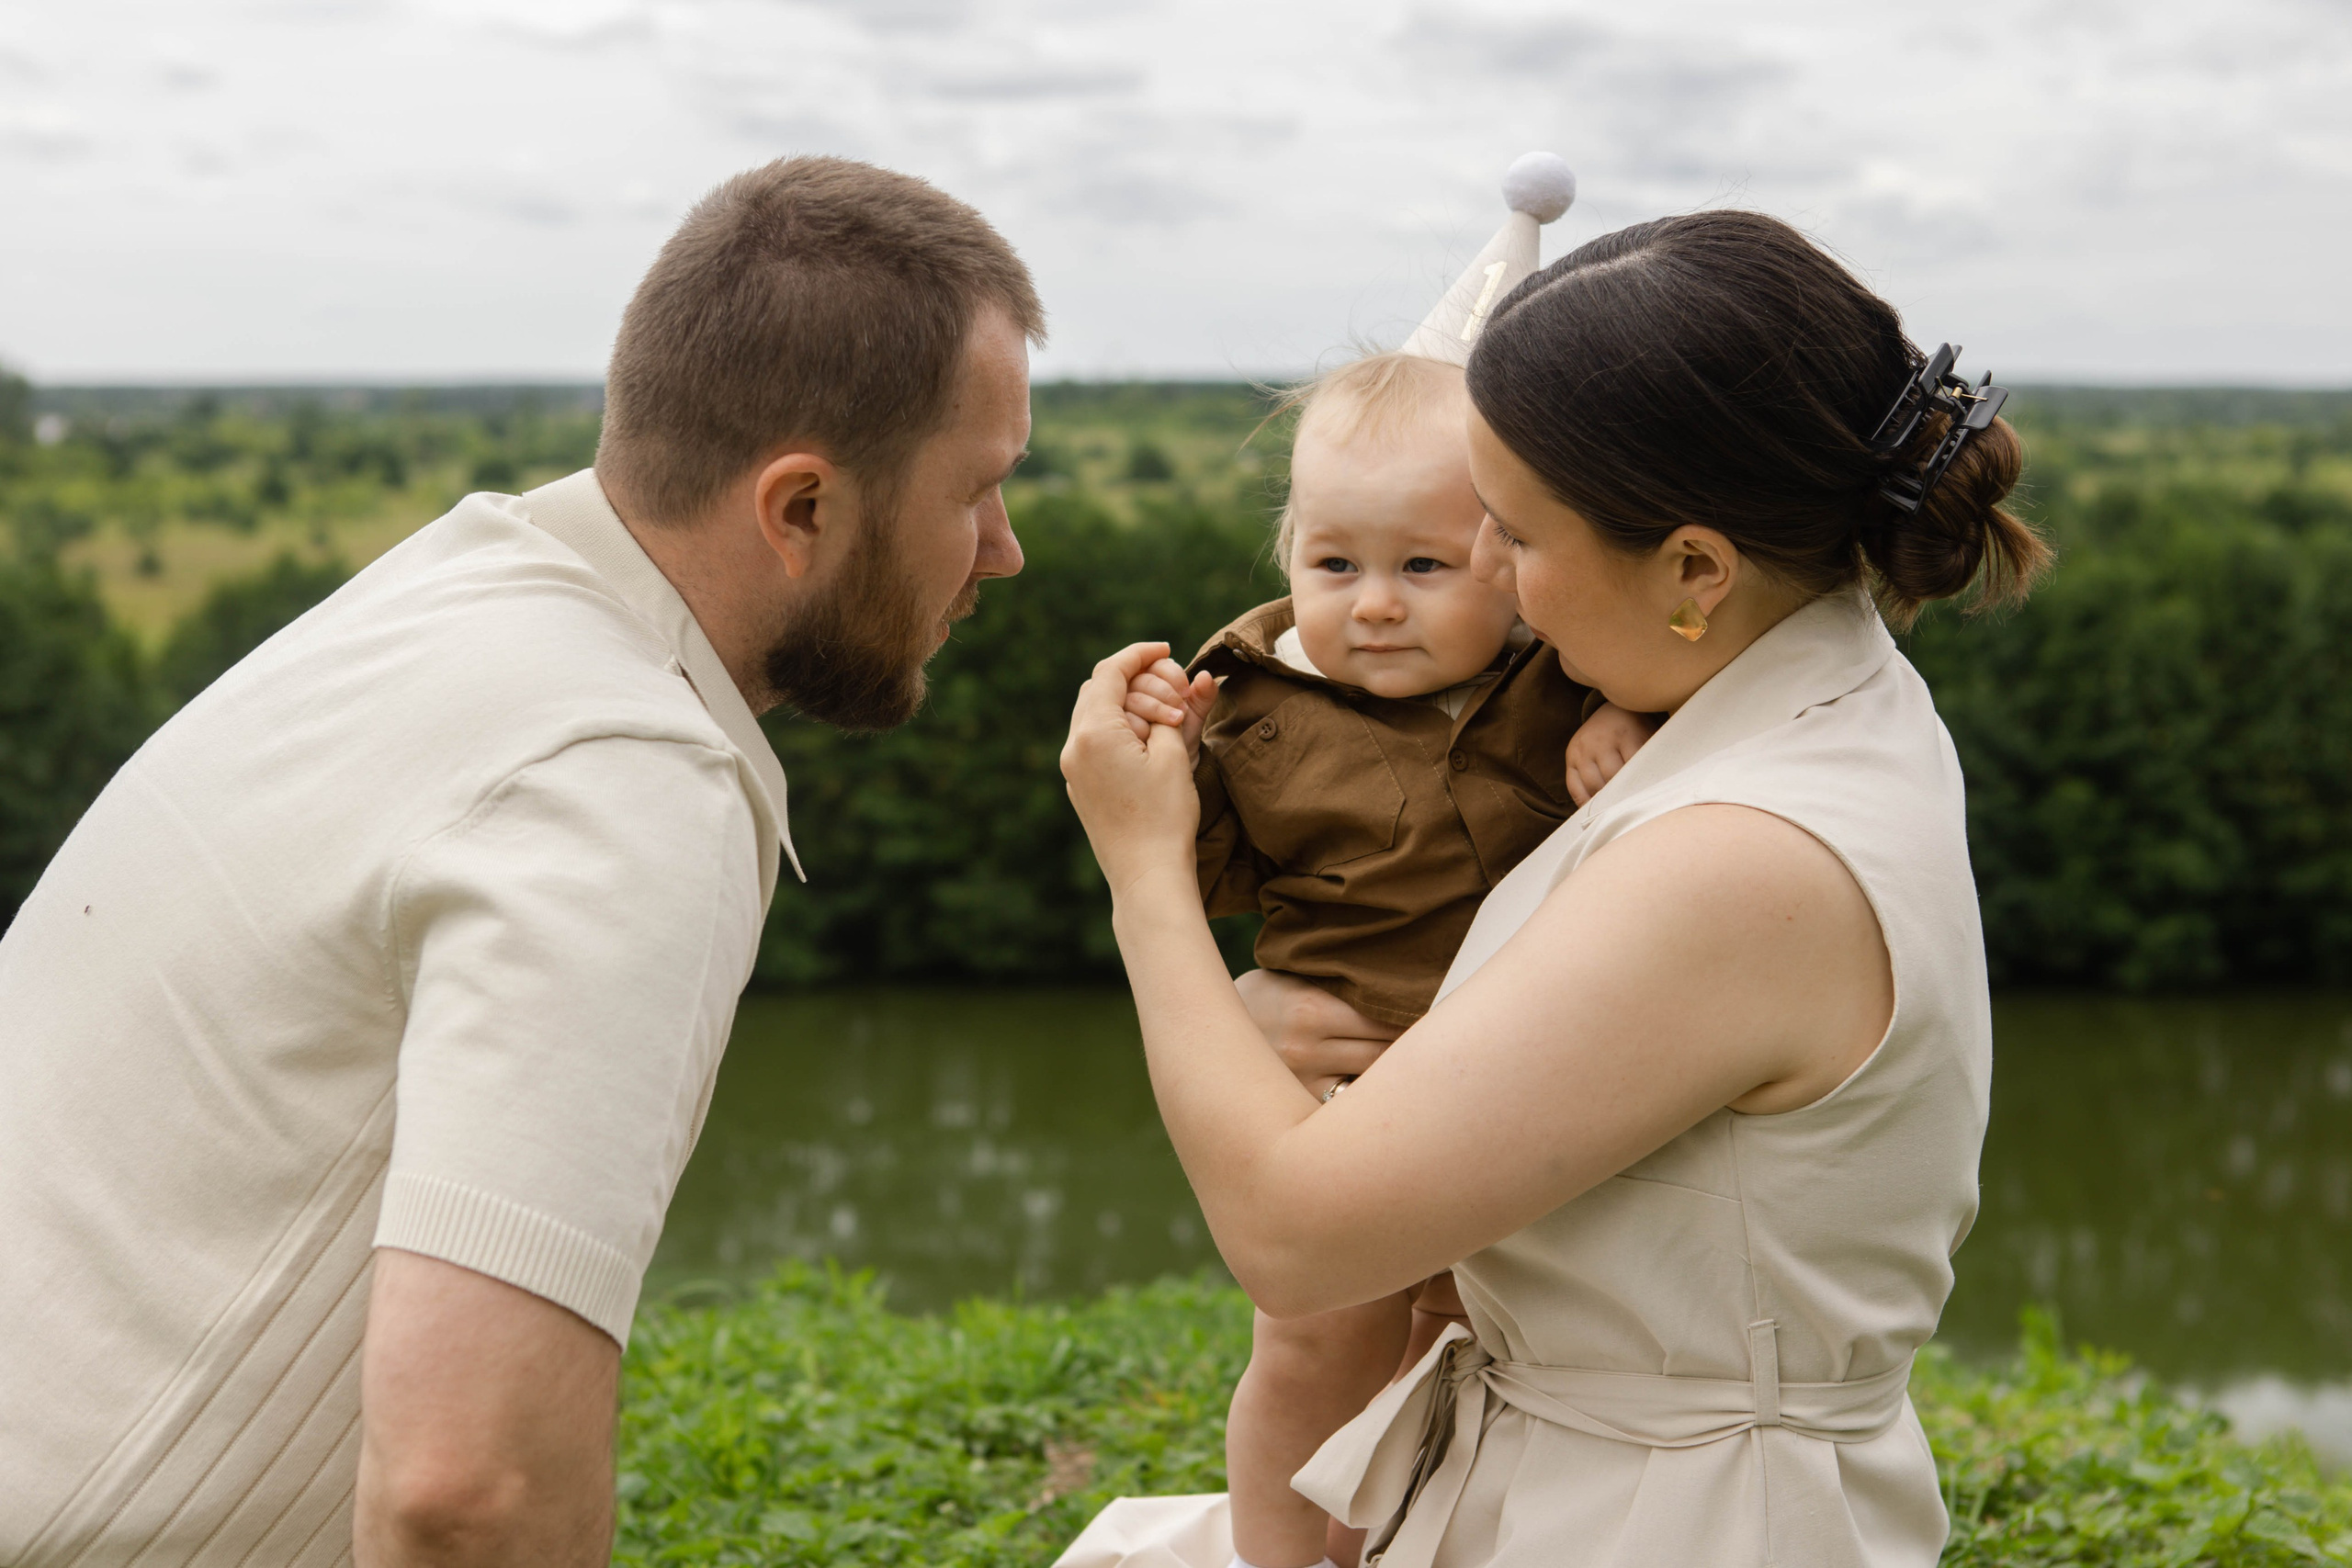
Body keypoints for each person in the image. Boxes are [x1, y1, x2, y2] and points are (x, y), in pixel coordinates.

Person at [0, 156, 1040, 1567]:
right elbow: (469, 1492)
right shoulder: (622, 781)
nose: (1005, 551)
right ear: (800, 509)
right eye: (975, 490)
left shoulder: (460, 590)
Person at [1057, 206, 2047, 1568]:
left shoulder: (1746, 854)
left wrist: (1144, 872)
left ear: (1696, 567)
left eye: (1512, 538)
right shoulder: (1816, 689)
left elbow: (1297, 1244)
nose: (1500, 597)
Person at [1144, 342, 1655, 1568]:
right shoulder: (1256, 708)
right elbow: (1195, 876)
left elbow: (1689, 691)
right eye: (1336, 563)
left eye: (1423, 566)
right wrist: (1163, 763)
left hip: (1531, 1093)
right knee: (1317, 1340)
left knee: (1458, 1347)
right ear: (1289, 558)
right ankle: (1277, 1556)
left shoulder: (1564, 683)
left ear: (1512, 566)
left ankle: (1399, 1543)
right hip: (1348, 1089)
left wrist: (1629, 716)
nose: (1375, 603)